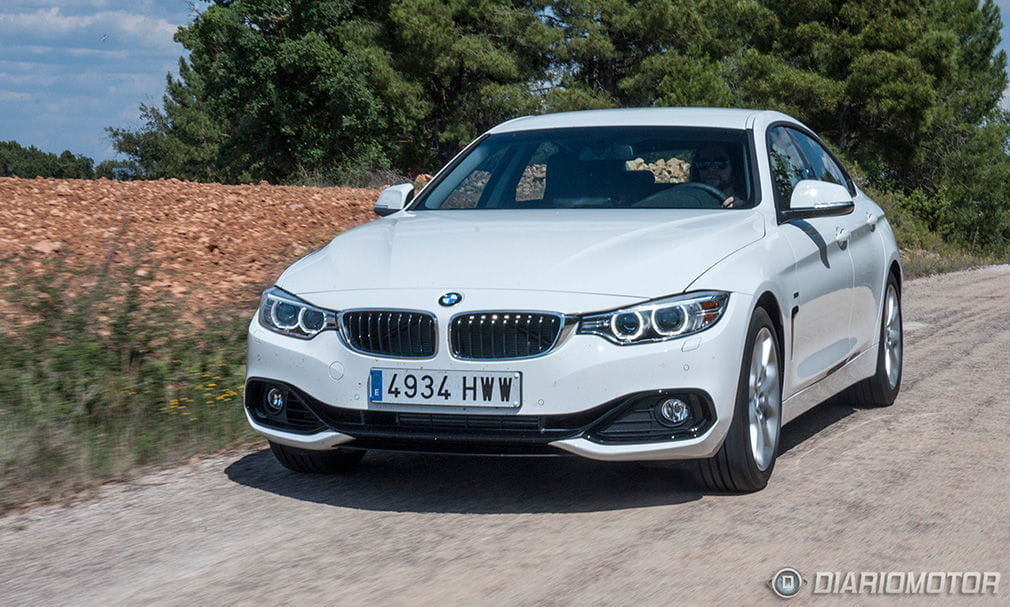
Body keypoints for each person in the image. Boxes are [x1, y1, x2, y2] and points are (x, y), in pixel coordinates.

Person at [693, 143, 739, 208]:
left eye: (720, 162)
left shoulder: (751, 203)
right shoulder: (686, 200)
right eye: (703, 163)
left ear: (734, 167)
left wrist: (741, 207)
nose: (711, 169)